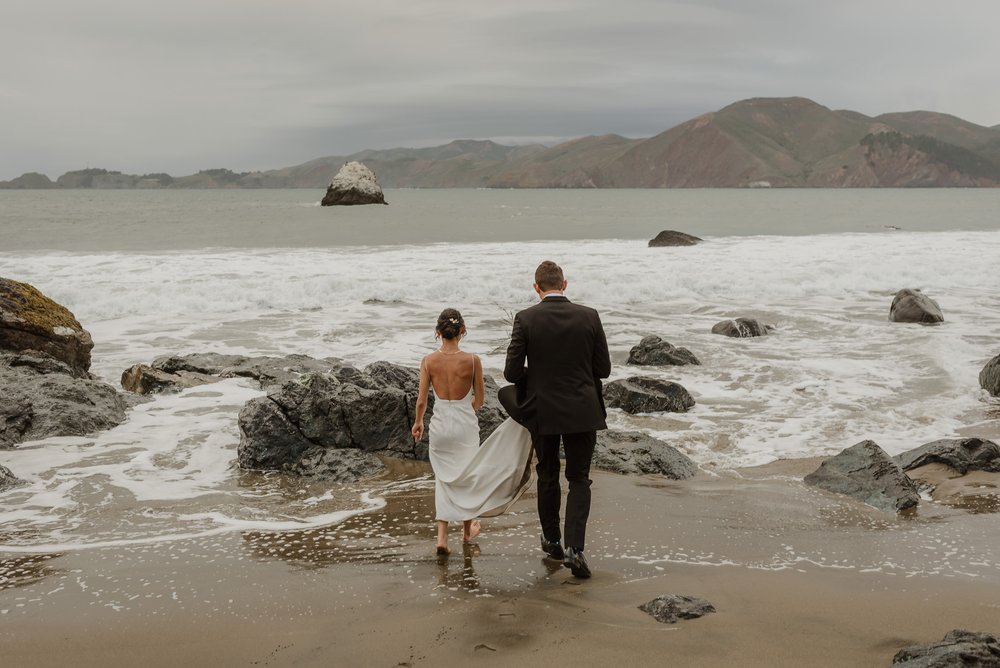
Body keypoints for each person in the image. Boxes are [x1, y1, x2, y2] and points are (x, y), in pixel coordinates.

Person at [504, 261, 611, 578]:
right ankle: (575, 549)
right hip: (582, 409)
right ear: (564, 284)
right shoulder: (589, 316)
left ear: (536, 287)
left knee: (548, 472)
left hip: (543, 410)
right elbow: (603, 369)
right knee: (579, 479)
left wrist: (539, 378)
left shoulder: (525, 319)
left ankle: (552, 540)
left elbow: (510, 373)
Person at [411, 308, 534, 556]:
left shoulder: (428, 361)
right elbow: (479, 398)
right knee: (466, 474)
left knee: (444, 479)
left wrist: (418, 422)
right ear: (462, 331)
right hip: (464, 423)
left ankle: (442, 537)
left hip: (441, 424)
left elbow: (422, 400)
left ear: (437, 332)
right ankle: (467, 532)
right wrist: (468, 411)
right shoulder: (473, 360)